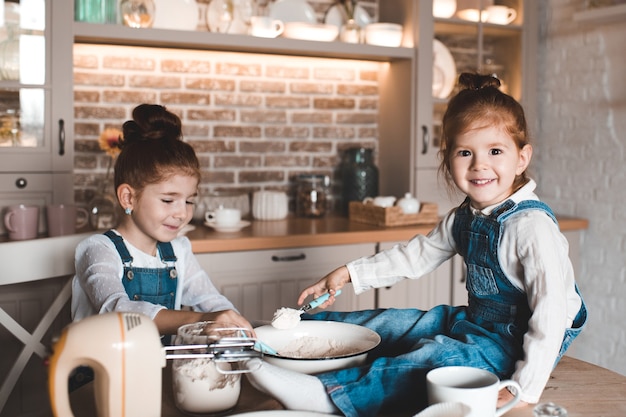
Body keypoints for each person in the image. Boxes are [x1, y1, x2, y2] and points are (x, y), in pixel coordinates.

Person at [245, 73, 587, 417]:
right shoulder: (465, 216)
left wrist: (525, 389)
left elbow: (551, 314)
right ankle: (283, 345)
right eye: (465, 152)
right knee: (392, 323)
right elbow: (415, 257)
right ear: (448, 157)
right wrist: (348, 273)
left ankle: (326, 394)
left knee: (433, 358)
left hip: (513, 343)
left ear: (522, 158)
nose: (479, 165)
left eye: (495, 151)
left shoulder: (532, 227)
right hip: (475, 322)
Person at [71, 104, 251, 335]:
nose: (182, 214)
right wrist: (202, 319)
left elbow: (212, 301)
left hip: (158, 368)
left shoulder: (178, 252)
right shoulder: (99, 250)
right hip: (104, 369)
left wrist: (232, 323)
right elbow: (116, 309)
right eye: (168, 200)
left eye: (188, 201)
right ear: (128, 198)